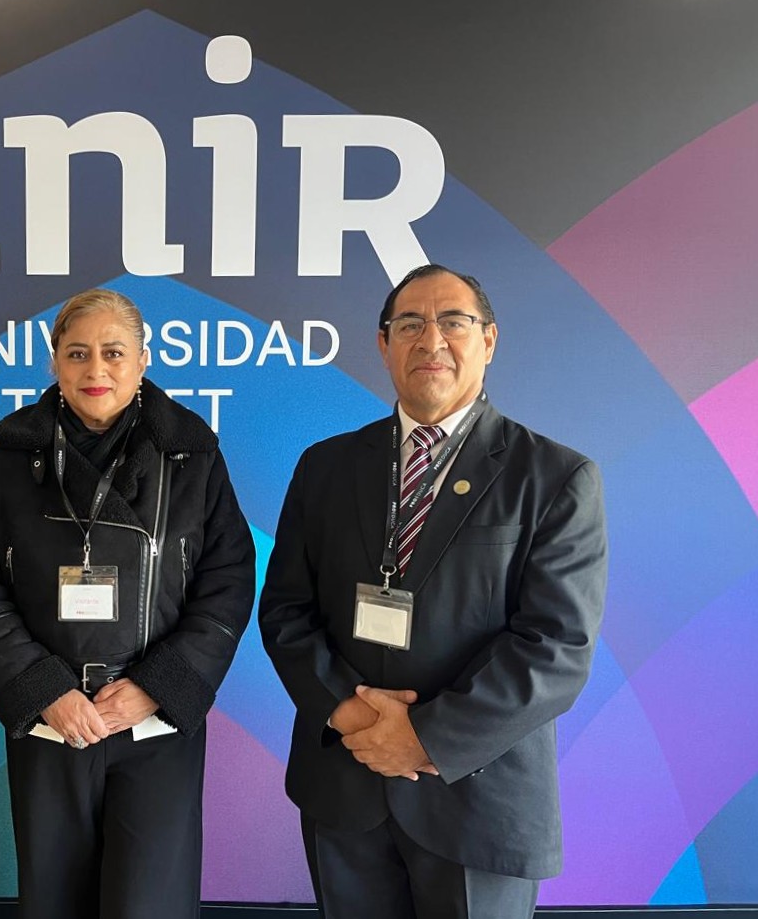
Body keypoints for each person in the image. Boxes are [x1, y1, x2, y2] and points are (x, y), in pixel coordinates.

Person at [258, 264, 608, 919]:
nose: (431, 339)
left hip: (477, 797)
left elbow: (556, 646)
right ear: (383, 343)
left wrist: (425, 737)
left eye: (453, 321)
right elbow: (285, 610)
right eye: (410, 324)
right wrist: (347, 712)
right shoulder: (325, 466)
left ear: (488, 340)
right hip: (346, 783)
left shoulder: (553, 476)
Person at [0, 288, 256, 919]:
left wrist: (157, 686)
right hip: (52, 721)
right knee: (54, 898)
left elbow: (227, 582)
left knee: (152, 904)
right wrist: (45, 690)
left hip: (154, 722)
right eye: (78, 353)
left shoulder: (194, 456)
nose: (96, 370)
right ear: (55, 361)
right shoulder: (9, 458)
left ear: (142, 360)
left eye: (114, 353)